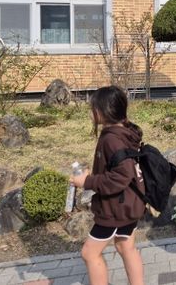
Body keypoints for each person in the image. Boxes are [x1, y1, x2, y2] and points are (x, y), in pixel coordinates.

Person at [70, 86, 146, 285]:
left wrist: (86, 181)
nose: (91, 113)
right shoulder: (126, 132)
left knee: (89, 253)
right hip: (130, 203)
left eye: (93, 108)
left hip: (115, 209)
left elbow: (121, 175)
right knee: (125, 246)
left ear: (104, 111)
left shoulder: (111, 139)